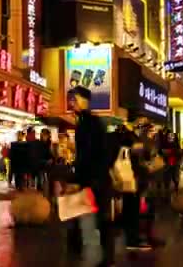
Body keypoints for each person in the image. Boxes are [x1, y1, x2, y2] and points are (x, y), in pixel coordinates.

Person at [69, 86, 114, 266]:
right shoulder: (90, 122)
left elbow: (87, 155)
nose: (72, 103)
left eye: (74, 99)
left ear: (84, 100)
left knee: (93, 220)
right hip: (97, 178)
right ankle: (105, 257)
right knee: (98, 220)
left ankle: (97, 257)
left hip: (93, 179)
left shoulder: (87, 124)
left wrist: (78, 178)